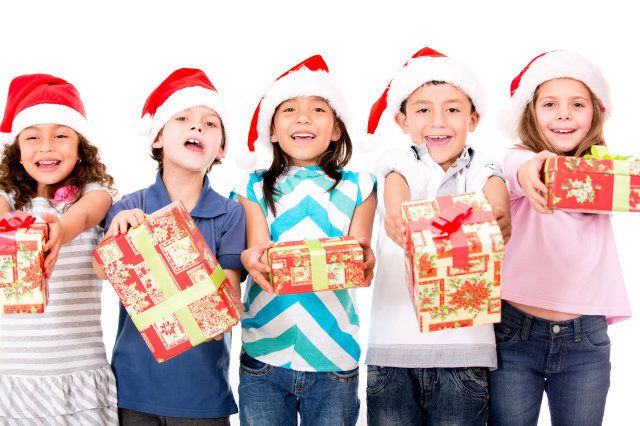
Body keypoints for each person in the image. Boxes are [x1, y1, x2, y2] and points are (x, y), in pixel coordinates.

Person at [365, 47, 510, 425]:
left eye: (452, 109)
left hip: (465, 354)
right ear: (402, 120)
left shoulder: (481, 165)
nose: (438, 121)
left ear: (473, 119)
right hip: (393, 352)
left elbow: (493, 184)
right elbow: (397, 182)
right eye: (423, 110)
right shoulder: (398, 161)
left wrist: (498, 211)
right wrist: (397, 214)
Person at [95, 68, 245, 425]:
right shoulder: (128, 207)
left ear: (221, 148)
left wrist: (227, 299)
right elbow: (102, 272)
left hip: (204, 395)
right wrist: (114, 238)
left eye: (211, 124)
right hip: (134, 390)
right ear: (158, 137)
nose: (197, 128)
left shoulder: (229, 213)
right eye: (183, 118)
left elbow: (227, 296)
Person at [489, 50, 632, 426]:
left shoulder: (604, 169)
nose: (564, 113)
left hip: (585, 336)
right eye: (550, 104)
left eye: (577, 104)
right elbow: (512, 168)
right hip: (514, 331)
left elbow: (626, 184)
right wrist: (531, 171)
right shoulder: (519, 160)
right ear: (531, 114)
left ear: (594, 114)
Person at [232, 54, 376, 426]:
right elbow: (257, 249)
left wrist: (364, 260)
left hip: (334, 358)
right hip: (264, 353)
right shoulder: (251, 187)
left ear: (336, 130)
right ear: (273, 131)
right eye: (290, 109)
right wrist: (252, 260)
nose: (303, 117)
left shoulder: (360, 186)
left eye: (317, 109)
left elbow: (357, 254)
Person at [0, 73, 118, 424]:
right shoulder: (11, 201)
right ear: (18, 152)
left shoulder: (92, 195)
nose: (47, 145)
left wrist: (60, 231)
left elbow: (85, 214)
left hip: (77, 373)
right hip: (15, 376)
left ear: (80, 148)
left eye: (61, 135)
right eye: (32, 136)